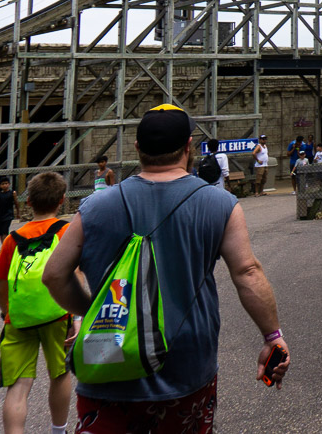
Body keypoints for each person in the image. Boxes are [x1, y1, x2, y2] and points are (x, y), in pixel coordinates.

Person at [44, 104, 290, 432]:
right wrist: (272, 336)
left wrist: (97, 310)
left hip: (108, 360)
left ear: (137, 149)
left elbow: (54, 275)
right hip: (186, 369)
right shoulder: (220, 205)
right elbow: (248, 273)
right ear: (188, 147)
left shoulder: (94, 207)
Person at [0, 171, 77, 434]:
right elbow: (76, 275)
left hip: (19, 318)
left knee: (18, 386)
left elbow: (0, 286)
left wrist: (8, 312)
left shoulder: (12, 239)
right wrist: (76, 316)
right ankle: (58, 430)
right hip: (57, 314)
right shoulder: (66, 231)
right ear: (62, 200)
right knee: (59, 374)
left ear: (28, 202)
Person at [0, 177, 17, 243]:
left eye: (6, 183)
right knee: (0, 232)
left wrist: (18, 212)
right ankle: (3, 246)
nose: (5, 185)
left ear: (9, 184)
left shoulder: (12, 193)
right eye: (3, 184)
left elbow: (16, 203)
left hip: (8, 214)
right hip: (0, 215)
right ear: (0, 185)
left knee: (5, 230)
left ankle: (5, 246)